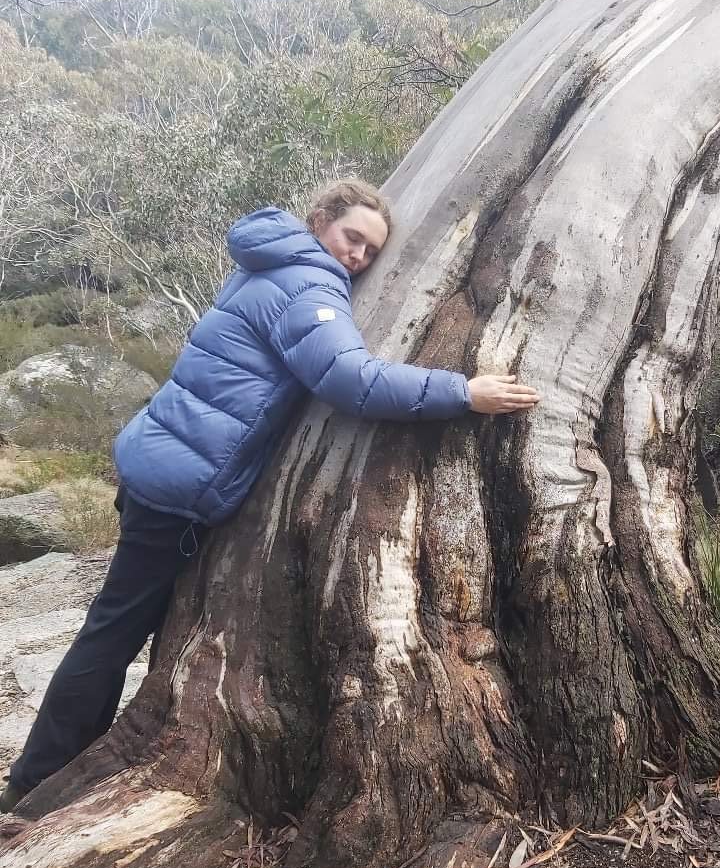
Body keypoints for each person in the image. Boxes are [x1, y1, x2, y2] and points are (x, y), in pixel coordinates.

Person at [0, 179, 539, 813]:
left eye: (371, 251)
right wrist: (463, 393)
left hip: (159, 461)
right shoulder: (307, 286)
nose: (358, 258)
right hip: (182, 487)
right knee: (111, 637)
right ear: (320, 223)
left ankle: (44, 777)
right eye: (351, 239)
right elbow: (351, 379)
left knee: (125, 627)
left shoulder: (267, 262)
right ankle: (32, 791)